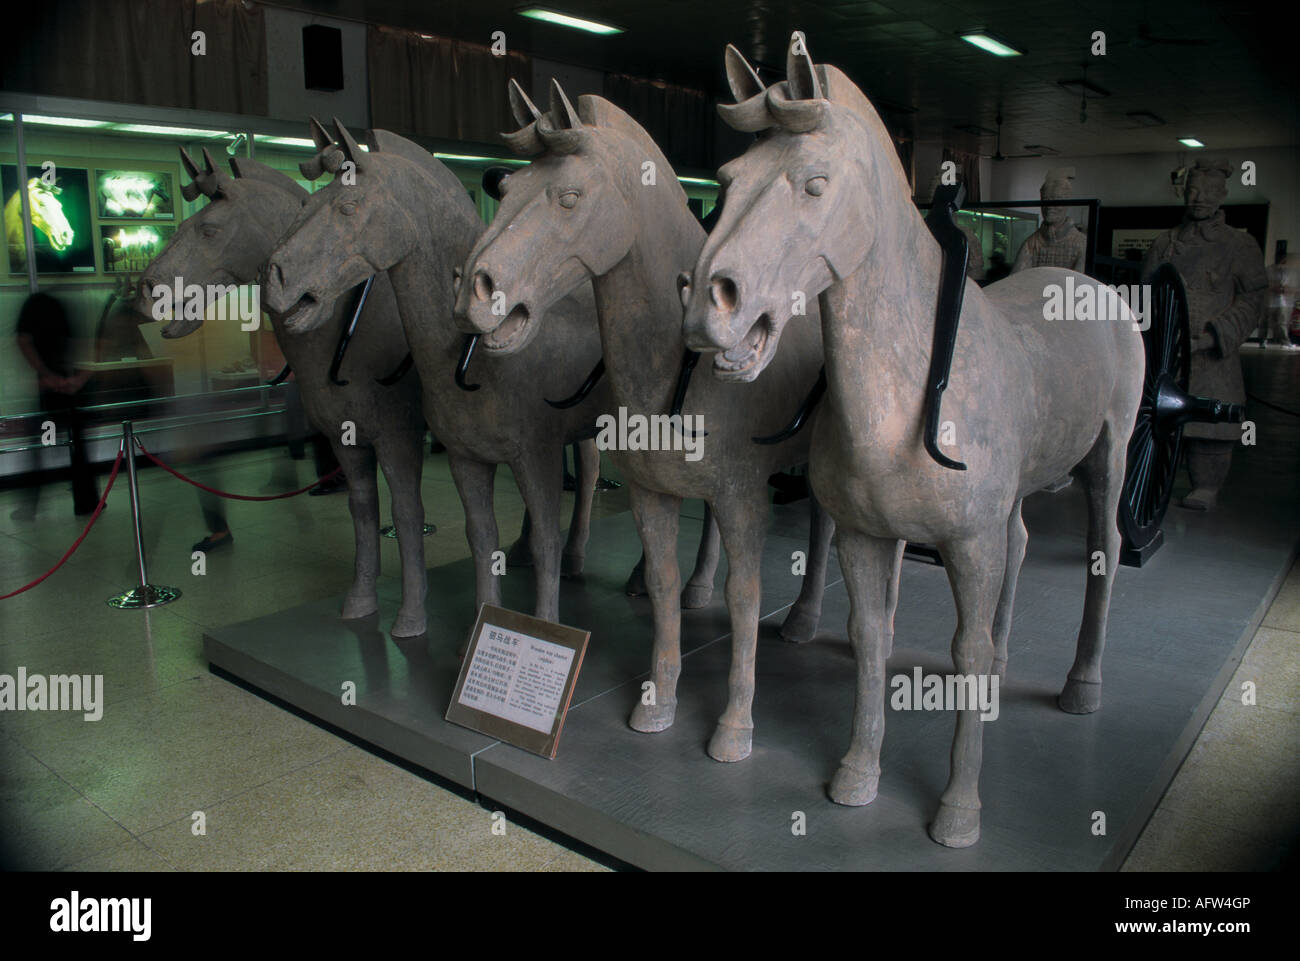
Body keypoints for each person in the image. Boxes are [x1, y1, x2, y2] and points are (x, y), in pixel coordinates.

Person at [1141, 158, 1268, 511]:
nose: (1198, 198)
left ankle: (1206, 484)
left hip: (1212, 354)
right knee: (1157, 420)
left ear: (1223, 194)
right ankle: (1156, 480)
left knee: (1210, 425)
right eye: (1192, 190)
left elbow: (1253, 296)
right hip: (1168, 351)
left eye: (1208, 192)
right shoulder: (1164, 242)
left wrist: (1217, 335)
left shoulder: (1239, 245)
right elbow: (1146, 292)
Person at [12, 290, 97, 518]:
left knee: (38, 447)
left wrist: (46, 374)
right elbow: (87, 346)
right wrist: (78, 378)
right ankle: (86, 502)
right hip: (72, 387)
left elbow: (23, 340)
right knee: (77, 447)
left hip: (49, 388)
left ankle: (31, 504)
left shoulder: (36, 303)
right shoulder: (66, 304)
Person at [1264, 242, 1297, 349]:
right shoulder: (1270, 270)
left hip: (1282, 301)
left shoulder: (1287, 271)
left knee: (1282, 323)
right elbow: (1265, 284)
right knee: (1267, 322)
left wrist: (1285, 289)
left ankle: (1284, 341)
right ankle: (1263, 340)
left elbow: (1291, 286)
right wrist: (1273, 288)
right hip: (1270, 301)